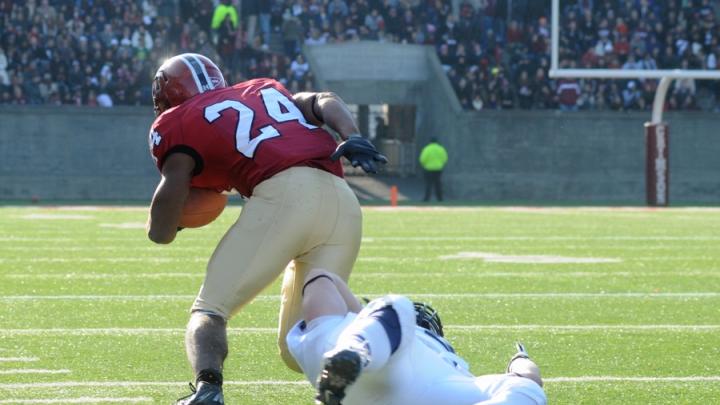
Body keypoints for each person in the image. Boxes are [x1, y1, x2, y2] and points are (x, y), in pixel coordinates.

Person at [146, 53, 387, 404]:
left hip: (284, 197)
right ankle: (393, 334)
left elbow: (162, 224)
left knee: (210, 309)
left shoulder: (177, 122)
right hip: (343, 202)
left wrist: (170, 225)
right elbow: (323, 100)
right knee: (304, 342)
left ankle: (207, 390)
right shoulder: (262, 88)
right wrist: (352, 135)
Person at [287, 269, 547, 405]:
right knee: (526, 390)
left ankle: (355, 352)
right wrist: (520, 358)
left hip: (337, 363)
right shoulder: (444, 358)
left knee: (395, 305)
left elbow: (320, 278)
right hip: (428, 387)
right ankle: (354, 353)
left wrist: (361, 310)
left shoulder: (355, 322)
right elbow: (530, 376)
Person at [418, 137, 448, 202]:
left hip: (428, 169)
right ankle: (440, 198)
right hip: (438, 169)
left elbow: (422, 159)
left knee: (428, 184)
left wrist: (424, 165)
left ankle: (427, 198)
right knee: (438, 184)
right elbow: (445, 158)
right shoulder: (441, 149)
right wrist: (441, 164)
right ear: (437, 142)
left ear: (430, 142)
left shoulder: (427, 149)